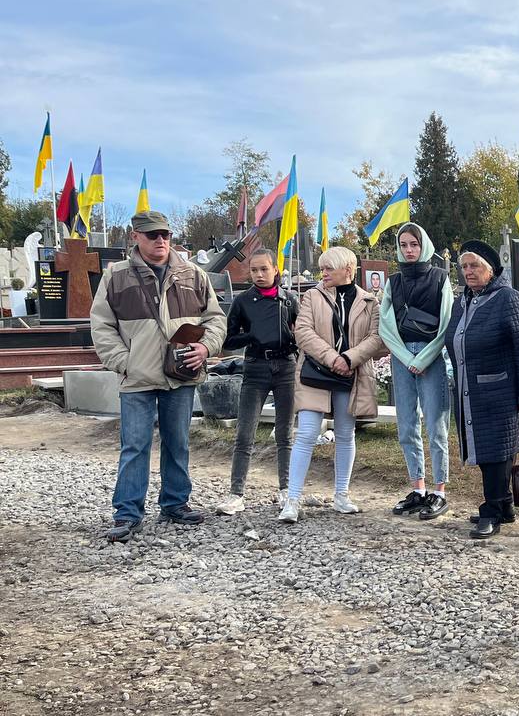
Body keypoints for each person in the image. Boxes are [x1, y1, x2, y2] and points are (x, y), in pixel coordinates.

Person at [90, 210, 228, 542]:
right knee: (134, 446)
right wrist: (125, 362)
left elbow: (216, 318)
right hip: (136, 377)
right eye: (152, 235)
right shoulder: (117, 276)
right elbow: (101, 325)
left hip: (180, 374)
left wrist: (206, 348)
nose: (161, 240)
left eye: (165, 234)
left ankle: (175, 503)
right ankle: (127, 514)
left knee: (177, 442)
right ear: (135, 236)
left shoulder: (193, 274)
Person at [279, 246, 387, 522]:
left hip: (351, 375)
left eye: (329, 268)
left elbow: (376, 338)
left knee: (345, 433)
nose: (323, 273)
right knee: (305, 433)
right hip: (316, 373)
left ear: (348, 270)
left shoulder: (369, 301)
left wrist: (349, 358)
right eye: (322, 268)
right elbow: (303, 332)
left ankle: (341, 495)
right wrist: (332, 358)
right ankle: (291, 500)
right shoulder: (312, 297)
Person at [444, 239, 519, 539]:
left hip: (500, 391)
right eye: (465, 267)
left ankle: (493, 510)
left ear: (491, 270)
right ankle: (504, 505)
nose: (469, 272)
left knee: (496, 451)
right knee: (487, 450)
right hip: (470, 390)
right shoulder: (463, 300)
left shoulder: (508, 299)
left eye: (475, 266)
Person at [216, 248, 299, 515]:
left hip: (286, 367)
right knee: (244, 433)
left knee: (285, 434)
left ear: (276, 269)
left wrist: (292, 342)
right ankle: (236, 494)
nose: (259, 274)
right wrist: (252, 336)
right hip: (255, 368)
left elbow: (302, 332)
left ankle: (286, 491)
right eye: (254, 270)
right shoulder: (242, 302)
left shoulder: (290, 299)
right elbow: (227, 340)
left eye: (264, 269)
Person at [379, 223, 453, 521]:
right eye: (405, 244)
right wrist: (403, 355)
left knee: (436, 425)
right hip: (401, 356)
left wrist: (423, 358)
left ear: (424, 246)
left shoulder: (440, 278)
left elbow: (446, 321)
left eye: (414, 244)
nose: (410, 250)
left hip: (430, 355)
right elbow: (386, 323)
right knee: (407, 424)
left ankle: (439, 491)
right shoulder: (393, 282)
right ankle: (418, 487)